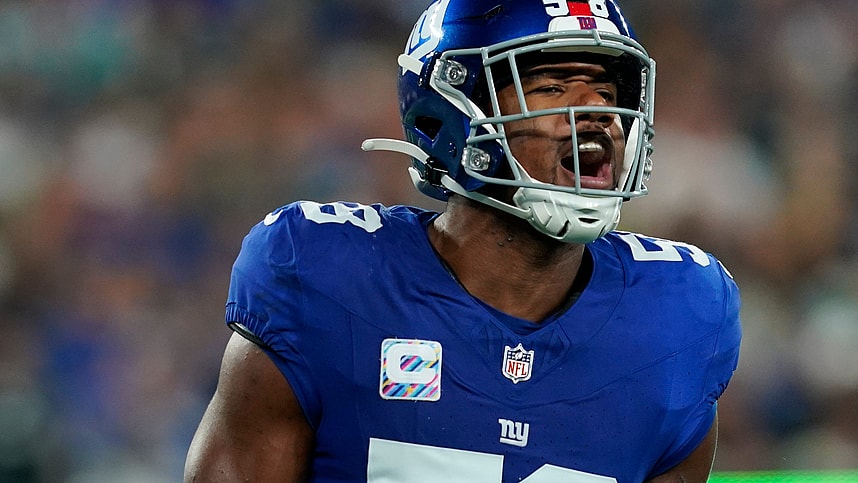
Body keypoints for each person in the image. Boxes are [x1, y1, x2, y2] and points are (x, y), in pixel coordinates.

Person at [184, 0, 742, 482]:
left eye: (606, 90)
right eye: (551, 87)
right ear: (453, 113)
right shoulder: (326, 278)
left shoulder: (679, 319)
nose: (596, 113)